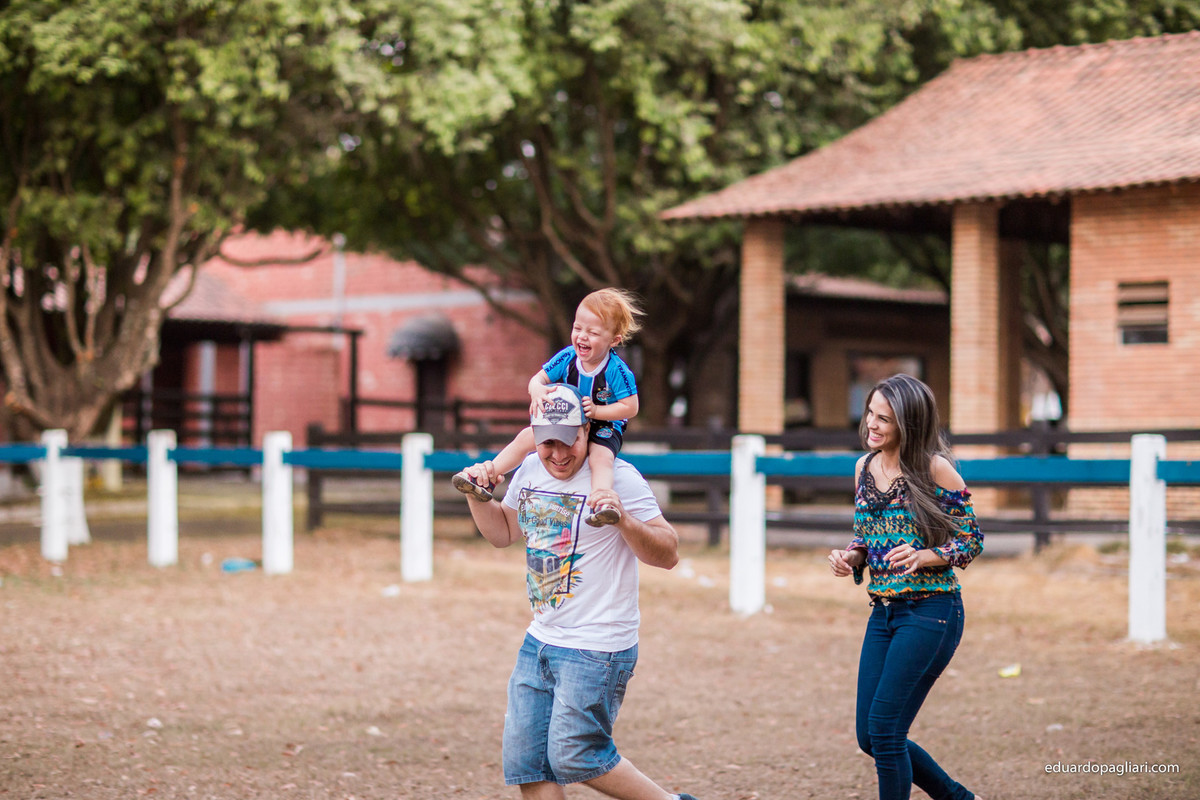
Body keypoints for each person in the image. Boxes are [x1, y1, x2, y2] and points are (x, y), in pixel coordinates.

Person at [459, 383, 700, 800]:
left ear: (587, 430)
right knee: (529, 765)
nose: (557, 454)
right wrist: (477, 496)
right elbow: (504, 532)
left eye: (568, 441)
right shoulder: (529, 470)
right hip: (540, 639)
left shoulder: (619, 478)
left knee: (575, 756)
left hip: (597, 646)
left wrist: (622, 520)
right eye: (547, 443)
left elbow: (669, 553)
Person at [827, 374, 985, 800]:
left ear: (908, 424)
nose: (871, 424)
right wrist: (851, 557)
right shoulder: (863, 468)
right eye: (870, 413)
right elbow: (865, 537)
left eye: (884, 419)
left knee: (886, 731)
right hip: (883, 612)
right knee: (870, 736)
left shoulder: (935, 469)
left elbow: (971, 540)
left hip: (932, 611)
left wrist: (924, 556)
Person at [454, 288, 643, 527]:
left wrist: (597, 412)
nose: (582, 337)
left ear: (614, 340)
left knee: (601, 458)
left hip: (604, 424)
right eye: (578, 328)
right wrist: (537, 390)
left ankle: (602, 502)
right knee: (526, 437)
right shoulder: (567, 357)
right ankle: (488, 475)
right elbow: (538, 379)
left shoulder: (617, 370)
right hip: (569, 421)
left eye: (593, 332)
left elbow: (630, 407)